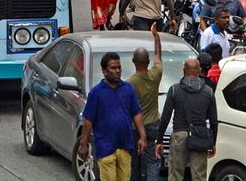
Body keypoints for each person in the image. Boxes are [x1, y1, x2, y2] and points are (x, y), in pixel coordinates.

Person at [78, 52, 146, 181]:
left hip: (125, 146)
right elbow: (88, 121)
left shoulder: (128, 89)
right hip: (106, 148)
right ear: (104, 71)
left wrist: (142, 136)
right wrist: (83, 144)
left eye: (119, 67)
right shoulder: (96, 93)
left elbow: (136, 113)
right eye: (113, 68)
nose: (118, 71)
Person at [156, 56, 217, 181]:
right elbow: (213, 121)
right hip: (200, 136)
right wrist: (213, 143)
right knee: (199, 176)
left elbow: (165, 118)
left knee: (175, 174)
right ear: (199, 71)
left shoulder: (174, 90)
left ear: (183, 70)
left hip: (179, 135)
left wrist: (159, 140)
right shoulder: (208, 92)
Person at [127, 25, 164, 181]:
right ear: (148, 61)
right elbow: (158, 55)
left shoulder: (130, 83)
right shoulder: (155, 74)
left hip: (136, 128)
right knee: (152, 162)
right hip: (154, 124)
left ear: (133, 61)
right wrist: (156, 37)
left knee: (133, 162)